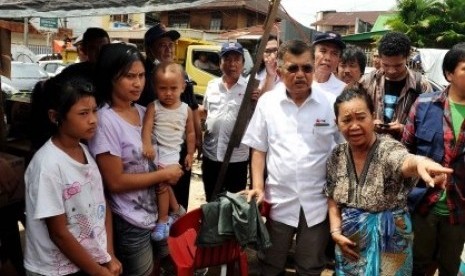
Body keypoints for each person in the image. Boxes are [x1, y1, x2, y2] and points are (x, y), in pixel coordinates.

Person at [325, 84, 452, 275]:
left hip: (392, 238)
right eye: (347, 120)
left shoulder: (387, 148)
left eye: (361, 117)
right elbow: (333, 198)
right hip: (351, 240)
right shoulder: (337, 156)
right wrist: (335, 233)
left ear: (372, 116)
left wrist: (419, 163)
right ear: (337, 123)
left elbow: (403, 160)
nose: (355, 126)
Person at [243, 40, 344, 275]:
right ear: (279, 71)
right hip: (278, 200)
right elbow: (258, 148)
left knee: (310, 267)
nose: (301, 75)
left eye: (307, 68)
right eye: (293, 68)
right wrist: (258, 186)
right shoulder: (268, 103)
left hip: (317, 202)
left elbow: (344, 148)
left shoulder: (330, 104)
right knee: (270, 264)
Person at [88, 43, 183, 276]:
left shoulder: (145, 111)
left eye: (141, 76)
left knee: (162, 267)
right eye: (129, 76)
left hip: (156, 215)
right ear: (111, 77)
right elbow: (115, 182)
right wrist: (164, 175)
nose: (138, 83)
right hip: (129, 220)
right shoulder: (105, 121)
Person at [23, 70, 123, 275]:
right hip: (54, 270)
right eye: (83, 113)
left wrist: (108, 254)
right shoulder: (47, 166)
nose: (93, 120)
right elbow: (59, 233)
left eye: (94, 111)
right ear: (55, 116)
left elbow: (102, 204)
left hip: (87, 263)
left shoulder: (83, 150)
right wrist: (96, 270)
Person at [402, 43, 465, 276]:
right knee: (418, 265)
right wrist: (421, 169)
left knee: (450, 267)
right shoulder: (424, 105)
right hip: (423, 205)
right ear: (449, 74)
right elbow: (404, 152)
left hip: (459, 211)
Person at [138, 23, 201, 209]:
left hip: (179, 146)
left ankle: (178, 227)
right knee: (159, 191)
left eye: (171, 44)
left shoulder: (180, 73)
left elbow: (193, 106)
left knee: (181, 187)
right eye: (162, 45)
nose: (168, 49)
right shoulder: (144, 76)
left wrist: (198, 138)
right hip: (155, 149)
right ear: (150, 49)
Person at [141, 62, 194, 241]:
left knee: (162, 185)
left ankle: (163, 219)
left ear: (183, 87)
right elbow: (147, 127)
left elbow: (191, 133)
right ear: (155, 88)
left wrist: (190, 154)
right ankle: (177, 210)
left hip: (172, 154)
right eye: (163, 88)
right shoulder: (153, 107)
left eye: (173, 88)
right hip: (155, 152)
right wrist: (147, 144)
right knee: (163, 183)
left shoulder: (186, 109)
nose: (168, 93)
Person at [202, 41, 255, 202]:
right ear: (220, 63)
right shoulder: (211, 86)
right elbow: (205, 113)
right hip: (211, 156)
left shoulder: (251, 90)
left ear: (243, 64)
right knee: (212, 200)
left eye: (236, 59)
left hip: (236, 159)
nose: (232, 64)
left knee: (234, 204)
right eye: (227, 59)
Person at [360, 31, 432, 140]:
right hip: (372, 149)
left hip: (405, 152)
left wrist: (404, 129)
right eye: (385, 65)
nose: (392, 70)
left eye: (398, 65)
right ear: (379, 58)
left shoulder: (421, 86)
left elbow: (429, 124)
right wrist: (369, 123)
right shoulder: (367, 81)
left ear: (407, 57)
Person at [312, 31, 347, 97]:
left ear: (339, 59)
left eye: (334, 53)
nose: (328, 58)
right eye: (323, 51)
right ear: (313, 54)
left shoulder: (343, 90)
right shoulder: (298, 84)